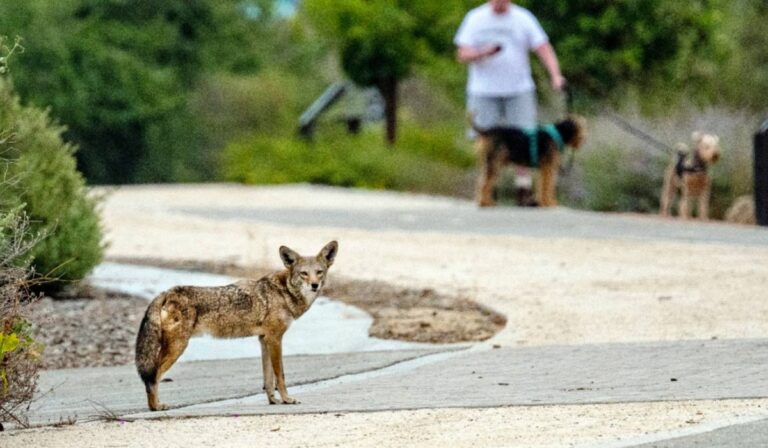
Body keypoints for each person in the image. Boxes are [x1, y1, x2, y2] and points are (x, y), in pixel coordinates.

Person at [455, 0, 565, 206]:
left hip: (518, 88)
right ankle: (487, 189)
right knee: (486, 142)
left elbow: (543, 47)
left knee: (526, 140)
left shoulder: (523, 18)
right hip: (483, 89)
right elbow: (462, 53)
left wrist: (555, 75)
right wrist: (483, 53)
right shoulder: (475, 18)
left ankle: (523, 189)